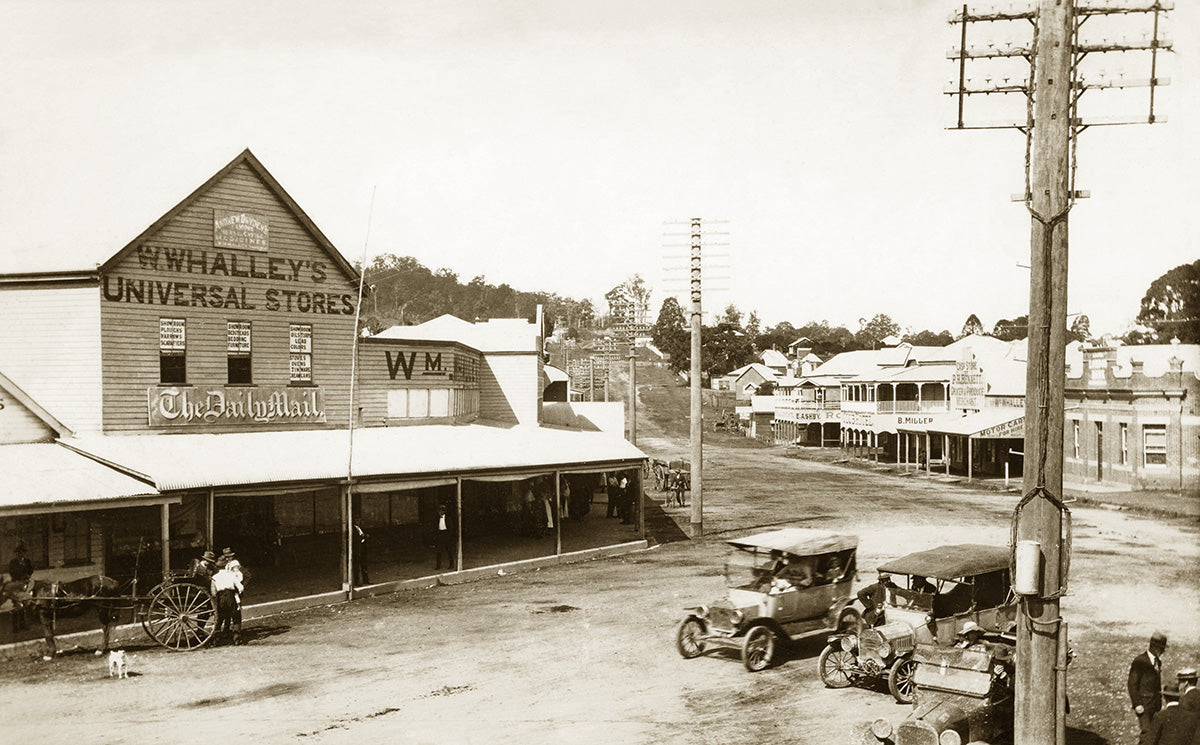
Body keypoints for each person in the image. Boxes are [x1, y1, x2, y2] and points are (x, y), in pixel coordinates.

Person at [1130, 631, 1169, 745]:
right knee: (1147, 733)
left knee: (1153, 734)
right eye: (1162, 649)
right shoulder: (1140, 661)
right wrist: (1137, 703)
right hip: (1144, 705)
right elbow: (1132, 684)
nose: (1163, 652)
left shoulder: (1158, 662)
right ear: (1156, 648)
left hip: (1155, 705)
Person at [211, 560, 245, 646]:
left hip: (221, 598)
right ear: (225, 566)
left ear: (217, 568)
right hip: (230, 596)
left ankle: (216, 639)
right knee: (236, 616)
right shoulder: (231, 575)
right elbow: (240, 587)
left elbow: (213, 592)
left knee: (220, 618)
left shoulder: (214, 577)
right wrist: (238, 593)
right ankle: (236, 638)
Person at [7, 543, 33, 632]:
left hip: (25, 584)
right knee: (17, 605)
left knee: (24, 605)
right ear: (16, 554)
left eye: (22, 552)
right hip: (16, 584)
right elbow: (12, 572)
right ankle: (15, 627)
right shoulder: (13, 562)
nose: (20, 554)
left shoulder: (27, 561)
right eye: (19, 553)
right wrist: (20, 577)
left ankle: (23, 625)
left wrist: (27, 576)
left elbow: (31, 570)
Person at [434, 504, 456, 571]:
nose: (440, 512)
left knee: (449, 550)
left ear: (444, 511)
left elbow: (451, 528)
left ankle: (451, 564)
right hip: (440, 534)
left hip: (446, 534)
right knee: (438, 551)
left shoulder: (448, 518)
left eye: (441, 511)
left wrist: (449, 536)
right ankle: (438, 566)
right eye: (439, 511)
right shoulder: (436, 518)